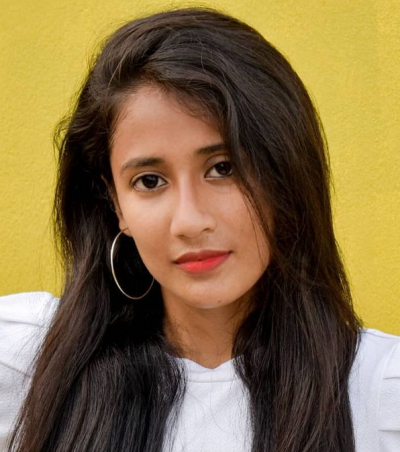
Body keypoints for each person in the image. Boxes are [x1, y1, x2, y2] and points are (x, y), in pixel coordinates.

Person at [0, 7, 399, 452]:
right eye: (149, 181)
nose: (190, 221)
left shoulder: (380, 394)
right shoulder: (28, 366)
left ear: (285, 174)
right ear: (116, 204)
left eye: (223, 168)